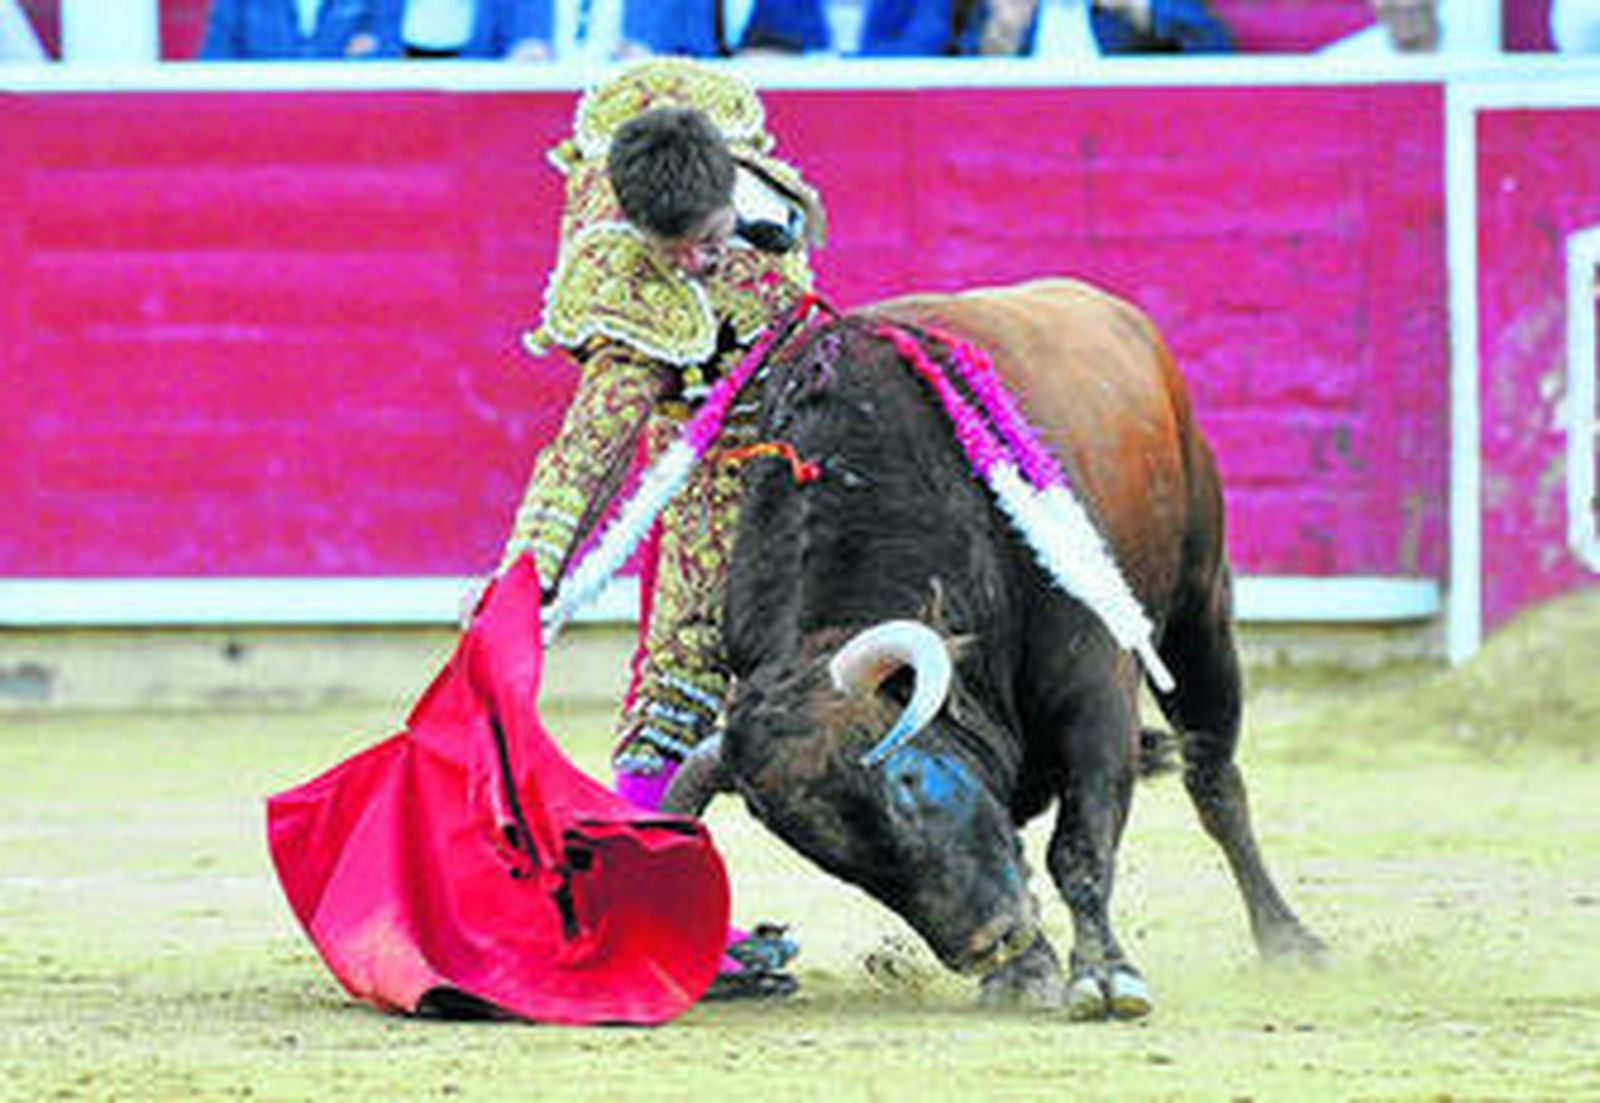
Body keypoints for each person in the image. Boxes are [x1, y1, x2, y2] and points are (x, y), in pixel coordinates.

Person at [496, 59, 824, 995]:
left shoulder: (728, 145)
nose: (692, 262)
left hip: (819, 422)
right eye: (671, 249)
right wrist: (531, 569)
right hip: (706, 460)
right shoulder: (629, 294)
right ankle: (652, 918)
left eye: (708, 239)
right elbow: (586, 447)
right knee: (681, 673)